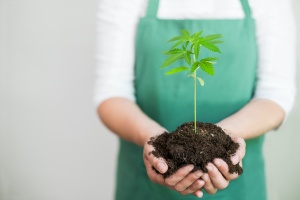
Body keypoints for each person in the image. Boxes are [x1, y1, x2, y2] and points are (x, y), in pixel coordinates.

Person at [94, 0, 296, 199]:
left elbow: (275, 93)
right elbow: (112, 92)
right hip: (146, 183)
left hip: (238, 181)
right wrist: (153, 137)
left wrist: (225, 137)